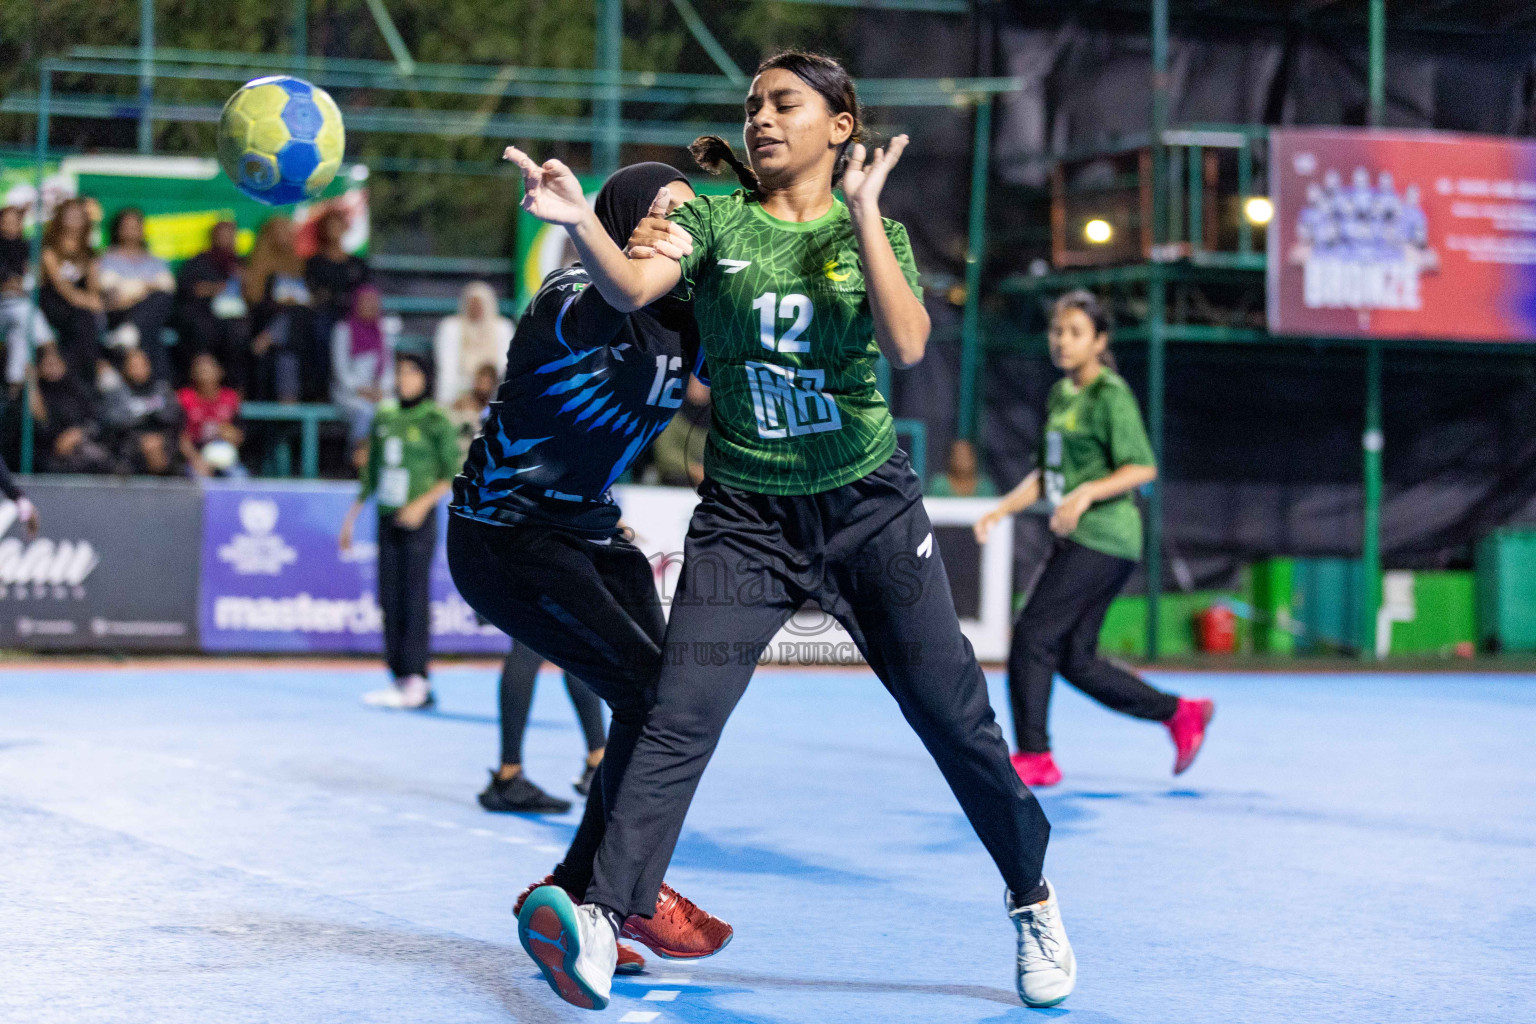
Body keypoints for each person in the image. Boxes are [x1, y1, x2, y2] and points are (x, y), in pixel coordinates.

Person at [505, 51, 1074, 1012]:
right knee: (679, 716)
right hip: (746, 521)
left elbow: (906, 345)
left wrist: (860, 215)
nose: (762, 119)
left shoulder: (875, 232)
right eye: (753, 105)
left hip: (870, 517)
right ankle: (602, 918)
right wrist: (576, 230)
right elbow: (637, 288)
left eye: (785, 103)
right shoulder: (711, 219)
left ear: (839, 125)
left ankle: (1034, 899)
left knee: (958, 728)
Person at [447, 162, 730, 978]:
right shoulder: (571, 299)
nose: (684, 225)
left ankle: (584, 894)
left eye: (692, 212)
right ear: (624, 222)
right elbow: (609, 297)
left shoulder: (692, 318)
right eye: (664, 212)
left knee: (672, 702)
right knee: (647, 694)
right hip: (506, 536)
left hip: (592, 533)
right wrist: (578, 223)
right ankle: (609, 895)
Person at [972, 290, 1214, 788]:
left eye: (1075, 332)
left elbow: (1142, 466)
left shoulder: (1111, 394)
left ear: (1099, 341)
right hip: (1082, 539)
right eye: (1057, 331)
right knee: (1075, 660)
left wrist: (1085, 494)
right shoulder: (1062, 395)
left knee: (1034, 636)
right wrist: (1000, 510)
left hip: (1106, 537)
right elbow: (1048, 473)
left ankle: (1036, 756)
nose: (1062, 341)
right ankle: (1179, 712)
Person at [339, 351, 459, 710]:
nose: (404, 379)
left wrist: (421, 505)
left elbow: (451, 472)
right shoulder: (385, 415)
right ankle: (397, 677)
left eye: (411, 372)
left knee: (414, 597)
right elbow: (371, 471)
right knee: (388, 597)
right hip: (387, 516)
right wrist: (351, 518)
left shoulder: (436, 419)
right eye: (400, 373)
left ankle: (418, 678)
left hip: (419, 520)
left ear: (426, 378)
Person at [244, 216, 318, 403]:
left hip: (296, 329)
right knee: (287, 341)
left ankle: (271, 336)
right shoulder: (255, 267)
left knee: (293, 326)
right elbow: (255, 302)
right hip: (265, 321)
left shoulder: (302, 268)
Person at [98, 207, 176, 381]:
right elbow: (112, 294)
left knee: (160, 302)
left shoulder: (156, 260)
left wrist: (131, 288)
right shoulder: (106, 258)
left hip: (148, 316)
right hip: (118, 314)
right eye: (127, 226)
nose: (131, 230)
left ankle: (131, 332)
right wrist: (147, 287)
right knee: (150, 330)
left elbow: (168, 288)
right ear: (117, 229)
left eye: (136, 226)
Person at [173, 219, 248, 390]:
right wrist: (214, 289)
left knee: (239, 335)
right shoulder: (197, 263)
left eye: (230, 235)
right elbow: (188, 290)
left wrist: (245, 282)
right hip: (203, 317)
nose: (226, 239)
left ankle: (234, 391)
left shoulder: (242, 265)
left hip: (235, 320)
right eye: (222, 235)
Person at [38, 197, 105, 384]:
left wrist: (94, 301)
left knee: (86, 321)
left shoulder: (89, 253)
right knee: (83, 319)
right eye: (69, 214)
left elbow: (94, 288)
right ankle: (73, 375)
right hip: (53, 300)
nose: (74, 219)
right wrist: (89, 302)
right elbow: (61, 286)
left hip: (77, 308)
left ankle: (82, 376)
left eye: (78, 215)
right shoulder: (49, 249)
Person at [305, 207, 369, 391]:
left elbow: (365, 293)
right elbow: (314, 292)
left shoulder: (358, 264)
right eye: (330, 226)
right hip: (326, 316)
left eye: (337, 224)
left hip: (353, 317)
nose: (334, 230)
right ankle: (322, 389)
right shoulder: (314, 263)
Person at [330, 284, 397, 451]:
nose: (370, 306)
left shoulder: (383, 330)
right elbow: (341, 371)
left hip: (378, 392)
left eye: (373, 302)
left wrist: (381, 389)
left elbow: (389, 367)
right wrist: (362, 390)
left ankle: (386, 459)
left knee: (391, 410)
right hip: (349, 393)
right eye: (365, 302)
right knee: (365, 412)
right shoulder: (343, 330)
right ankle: (359, 459)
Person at [1, 205, 57, 394]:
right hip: (4, 306)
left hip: (20, 305)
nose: (10, 225)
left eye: (15, 221)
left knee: (19, 334)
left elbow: (36, 278)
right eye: (6, 221)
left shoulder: (27, 248)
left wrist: (24, 283)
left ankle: (14, 386)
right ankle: (50, 350)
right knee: (24, 313)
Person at [31, 343, 113, 474]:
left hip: (82, 446)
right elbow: (42, 423)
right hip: (50, 452)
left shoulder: (76, 389)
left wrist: (78, 433)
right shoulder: (38, 393)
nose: (53, 369)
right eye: (48, 365)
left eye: (56, 363)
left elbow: (96, 419)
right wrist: (31, 384)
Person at [100, 346, 181, 476]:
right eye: (133, 366)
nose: (138, 370)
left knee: (160, 447)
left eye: (142, 365)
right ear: (125, 369)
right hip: (128, 442)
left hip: (163, 439)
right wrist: (144, 416)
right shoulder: (117, 392)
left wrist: (155, 434)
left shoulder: (162, 389)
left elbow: (173, 416)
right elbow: (112, 421)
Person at [433, 281, 512, 406]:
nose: (476, 308)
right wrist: (447, 402)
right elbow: (447, 372)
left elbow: (506, 368)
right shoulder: (451, 328)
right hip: (460, 395)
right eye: (472, 303)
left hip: (494, 393)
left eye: (480, 304)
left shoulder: (503, 328)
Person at [178, 351, 246, 478]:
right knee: (198, 478)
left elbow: (239, 436)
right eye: (201, 371)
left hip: (226, 456)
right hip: (195, 456)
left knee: (238, 476)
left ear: (219, 372)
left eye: (209, 370)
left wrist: (229, 434)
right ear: (193, 374)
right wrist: (196, 460)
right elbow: (180, 437)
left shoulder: (230, 398)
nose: (205, 375)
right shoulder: (185, 398)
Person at [928, 438, 997, 497]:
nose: (963, 460)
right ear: (950, 459)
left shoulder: (985, 487)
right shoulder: (940, 485)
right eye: (959, 456)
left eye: (967, 456)